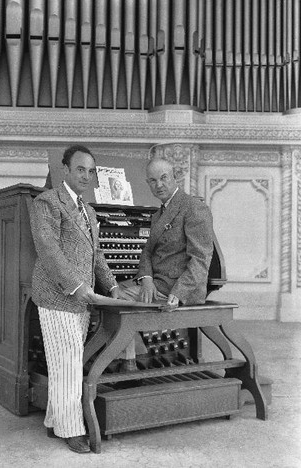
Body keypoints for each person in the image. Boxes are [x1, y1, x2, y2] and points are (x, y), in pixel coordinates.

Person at [29, 145, 119, 454]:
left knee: (63, 363)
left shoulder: (88, 209)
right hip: (57, 296)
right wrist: (76, 286)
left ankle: (56, 420)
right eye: (80, 169)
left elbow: (97, 257)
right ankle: (72, 430)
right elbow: (48, 249)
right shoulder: (48, 201)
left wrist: (113, 287)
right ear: (65, 170)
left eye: (91, 170)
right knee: (67, 364)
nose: (86, 175)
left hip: (81, 300)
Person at [121, 157, 214, 308]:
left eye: (163, 178)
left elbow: (201, 259)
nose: (159, 185)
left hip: (177, 289)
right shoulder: (158, 215)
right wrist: (147, 279)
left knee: (116, 300)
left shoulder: (193, 208)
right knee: (111, 290)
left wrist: (178, 293)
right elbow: (148, 252)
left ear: (175, 176)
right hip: (157, 283)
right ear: (148, 183)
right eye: (153, 180)